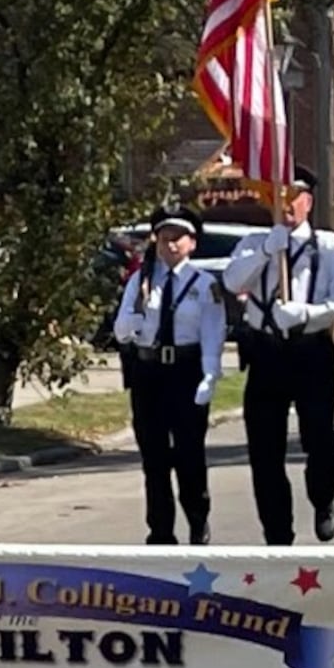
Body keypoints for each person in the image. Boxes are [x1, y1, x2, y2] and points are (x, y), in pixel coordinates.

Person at [222, 167, 334, 544]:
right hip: (266, 354)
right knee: (264, 449)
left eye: (293, 195)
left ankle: (322, 498)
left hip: (310, 351)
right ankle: (277, 533)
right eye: (278, 195)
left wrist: (310, 314)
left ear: (308, 201)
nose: (285, 204)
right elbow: (233, 282)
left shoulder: (329, 245)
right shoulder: (254, 241)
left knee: (320, 439)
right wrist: (268, 250)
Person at [112, 204, 226, 545]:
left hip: (187, 371)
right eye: (164, 237)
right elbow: (121, 330)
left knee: (189, 454)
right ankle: (160, 530)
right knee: (154, 457)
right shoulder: (141, 280)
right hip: (149, 372)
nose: (170, 244)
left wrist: (210, 374)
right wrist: (135, 318)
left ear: (192, 242)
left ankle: (197, 517)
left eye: (178, 238)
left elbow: (212, 332)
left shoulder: (204, 284)